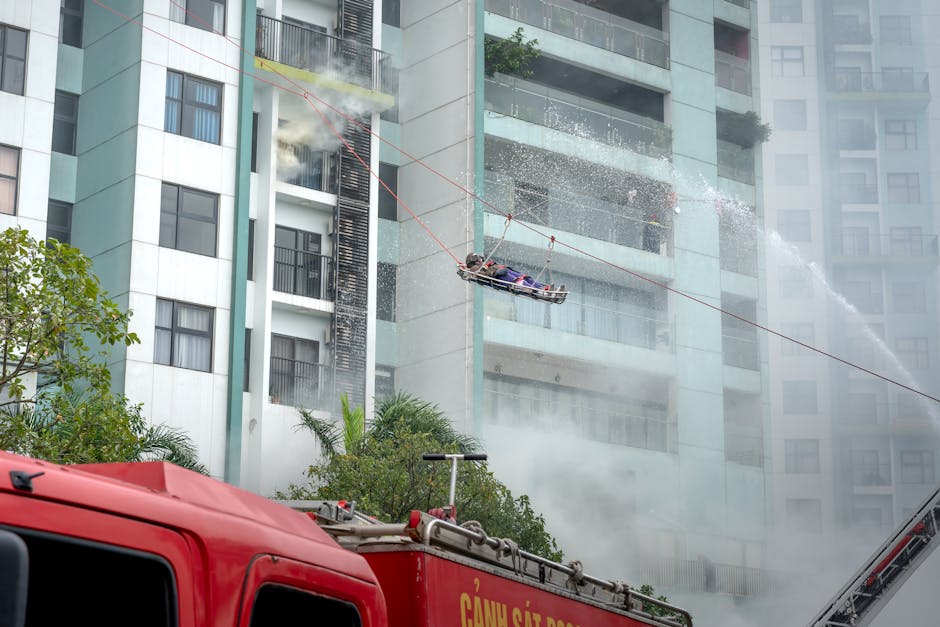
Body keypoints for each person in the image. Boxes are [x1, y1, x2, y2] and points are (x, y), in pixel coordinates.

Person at [464, 253, 553, 290]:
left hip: (503, 270)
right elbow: (482, 275)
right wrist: (493, 273)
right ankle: (540, 291)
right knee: (519, 281)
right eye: (477, 257)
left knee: (525, 278)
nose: (480, 258)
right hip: (499, 276)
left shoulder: (484, 263)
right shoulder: (475, 268)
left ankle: (543, 288)